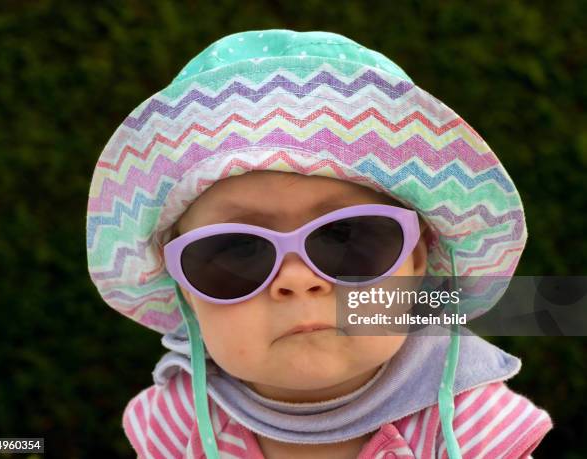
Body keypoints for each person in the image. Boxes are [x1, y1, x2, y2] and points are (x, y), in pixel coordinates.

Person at [86, 29, 553, 458]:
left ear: (415, 261)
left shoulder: (473, 430)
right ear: (186, 288)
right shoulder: (177, 424)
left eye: (345, 237)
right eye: (234, 251)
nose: (298, 280)